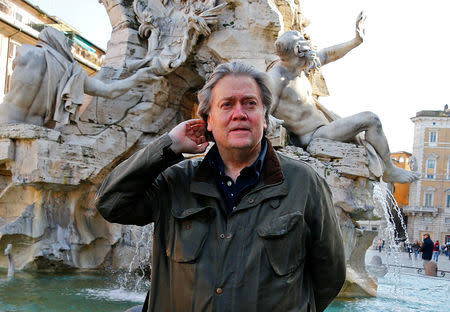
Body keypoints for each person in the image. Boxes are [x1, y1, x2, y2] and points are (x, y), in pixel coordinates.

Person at [95, 62, 346, 312]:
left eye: (250, 103)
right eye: (227, 105)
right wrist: (168, 145)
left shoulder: (304, 183)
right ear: (209, 122)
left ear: (265, 119)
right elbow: (111, 203)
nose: (239, 113)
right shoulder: (177, 180)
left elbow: (329, 276)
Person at [267, 12, 419, 184]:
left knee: (369, 121)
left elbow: (327, 54)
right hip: (313, 136)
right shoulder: (275, 79)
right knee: (371, 119)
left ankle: (388, 168)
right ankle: (390, 170)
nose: (310, 61)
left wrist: (355, 41)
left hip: (325, 126)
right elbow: (264, 113)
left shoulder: (299, 66)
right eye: (305, 56)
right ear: (296, 52)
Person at [0, 27, 159, 128]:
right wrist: (138, 77)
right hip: (35, 126)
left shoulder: (27, 51)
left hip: (6, 116)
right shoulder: (72, 72)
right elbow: (110, 91)